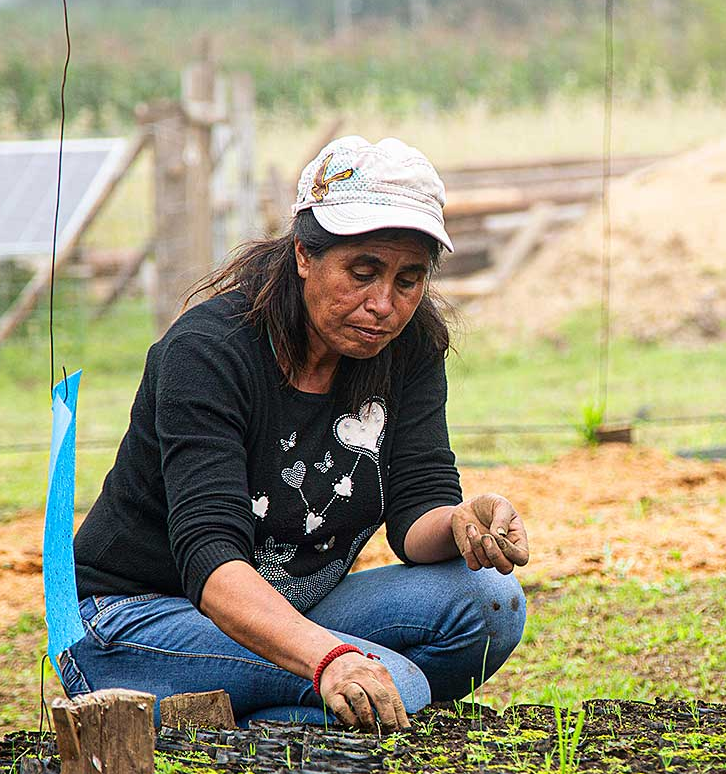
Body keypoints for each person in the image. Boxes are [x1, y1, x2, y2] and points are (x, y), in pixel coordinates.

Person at [64, 136, 531, 730]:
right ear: (304, 255)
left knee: (491, 605)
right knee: (399, 683)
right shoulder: (208, 354)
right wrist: (330, 659)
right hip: (137, 617)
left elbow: (416, 513)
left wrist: (463, 520)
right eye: (362, 273)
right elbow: (211, 562)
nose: (384, 304)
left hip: (286, 605)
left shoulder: (407, 347)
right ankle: (297, 710)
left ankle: (270, 714)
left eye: (409, 280)